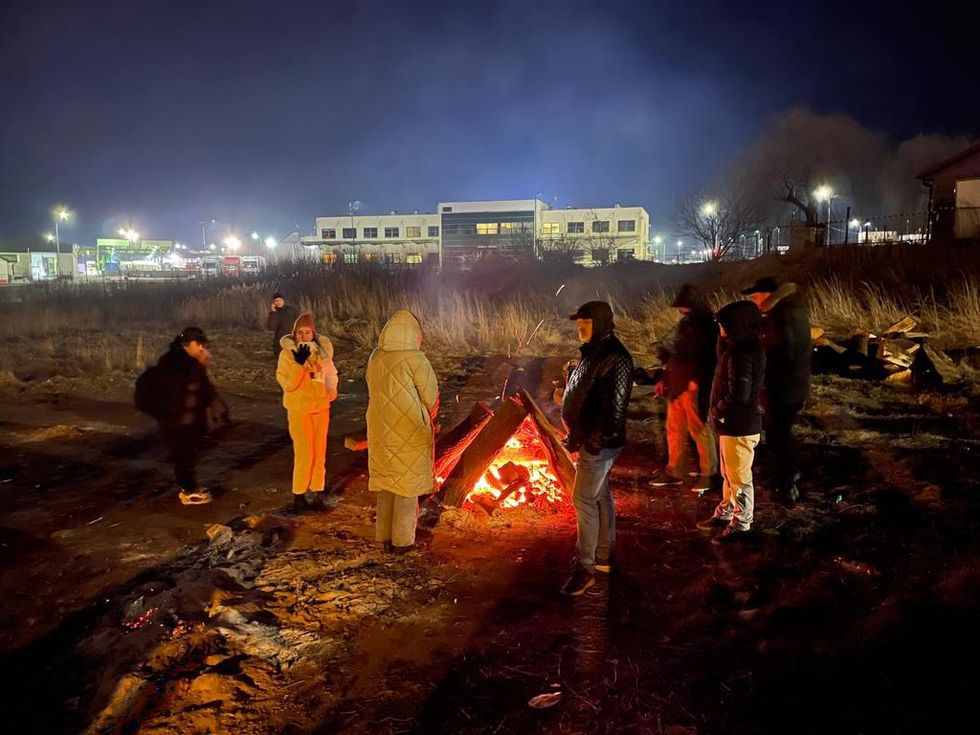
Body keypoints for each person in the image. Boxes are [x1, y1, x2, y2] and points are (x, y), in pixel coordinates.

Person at [559, 300, 634, 596]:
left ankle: (585, 567)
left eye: (586, 323)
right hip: (591, 440)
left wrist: (589, 443)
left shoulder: (616, 358)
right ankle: (604, 556)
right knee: (601, 497)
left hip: (599, 443)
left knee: (583, 501)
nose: (580, 328)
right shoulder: (593, 352)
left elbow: (613, 413)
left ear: (600, 323)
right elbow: (588, 397)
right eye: (578, 323)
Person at [366, 310, 439, 553]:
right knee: (407, 489)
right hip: (409, 429)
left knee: (388, 484)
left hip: (379, 428)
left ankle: (385, 538)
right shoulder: (416, 359)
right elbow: (431, 397)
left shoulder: (376, 356)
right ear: (414, 334)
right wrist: (429, 416)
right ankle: (403, 543)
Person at [698, 301, 765, 543]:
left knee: (738, 476)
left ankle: (742, 522)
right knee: (728, 473)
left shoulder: (744, 354)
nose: (720, 327)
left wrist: (718, 410)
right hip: (731, 424)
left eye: (723, 324)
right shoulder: (737, 347)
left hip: (739, 424)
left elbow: (740, 392)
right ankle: (727, 510)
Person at [740, 276, 812, 503]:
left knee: (778, 435)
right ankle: (785, 474)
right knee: (779, 432)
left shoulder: (783, 315)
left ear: (767, 295)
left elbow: (784, 353)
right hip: (791, 385)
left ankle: (787, 482)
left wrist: (765, 379)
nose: (754, 301)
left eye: (755, 296)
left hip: (784, 387)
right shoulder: (790, 310)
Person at [146, 326, 228, 505]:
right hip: (177, 417)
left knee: (191, 451)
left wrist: (214, 404)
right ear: (186, 344)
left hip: (191, 416)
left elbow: (202, 385)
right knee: (183, 453)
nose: (201, 347)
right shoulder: (171, 361)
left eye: (203, 344)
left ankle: (190, 485)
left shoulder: (192, 359)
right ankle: (187, 490)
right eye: (198, 344)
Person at [648, 284, 719, 493]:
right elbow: (674, 353)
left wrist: (696, 380)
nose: (681, 311)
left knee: (699, 429)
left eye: (684, 307)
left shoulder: (707, 326)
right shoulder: (685, 324)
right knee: (674, 429)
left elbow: (709, 357)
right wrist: (664, 378)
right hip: (676, 385)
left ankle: (709, 474)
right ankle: (673, 472)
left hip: (693, 386)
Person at [276, 312, 338, 511]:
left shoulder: (322, 353)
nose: (304, 336)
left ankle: (317, 490)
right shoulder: (287, 355)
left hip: (321, 408)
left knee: (320, 453)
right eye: (300, 332)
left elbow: (331, 374)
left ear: (313, 333)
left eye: (308, 332)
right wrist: (299, 364)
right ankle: (299, 495)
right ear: (294, 334)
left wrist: (331, 393)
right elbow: (288, 384)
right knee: (304, 454)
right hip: (299, 409)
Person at [266, 292, 300, 357]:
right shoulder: (274, 313)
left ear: (283, 300)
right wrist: (273, 312)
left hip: (292, 338)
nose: (278, 302)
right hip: (280, 341)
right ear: (273, 303)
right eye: (276, 301)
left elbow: (300, 321)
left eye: (280, 300)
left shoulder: (291, 310)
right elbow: (271, 328)